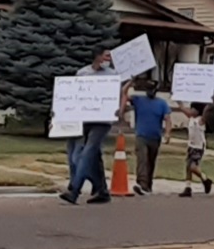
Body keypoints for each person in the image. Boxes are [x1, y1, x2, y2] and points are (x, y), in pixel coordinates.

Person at [58, 51, 124, 205]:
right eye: (106, 56)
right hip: (83, 120)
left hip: (102, 121)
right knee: (84, 157)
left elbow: (121, 95)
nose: (109, 59)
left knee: (88, 152)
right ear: (97, 56)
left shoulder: (113, 74)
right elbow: (72, 95)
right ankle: (102, 190)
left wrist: (119, 110)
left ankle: (74, 190)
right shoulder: (82, 73)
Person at [123, 79, 172, 196]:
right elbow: (124, 93)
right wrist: (130, 83)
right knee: (142, 159)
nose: (150, 92)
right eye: (148, 90)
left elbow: (168, 119)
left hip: (155, 137)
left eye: (152, 90)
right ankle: (142, 183)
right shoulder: (138, 100)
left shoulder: (162, 103)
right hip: (141, 136)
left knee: (151, 161)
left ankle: (148, 185)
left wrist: (167, 133)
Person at [176, 102, 213, 197]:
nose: (191, 110)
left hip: (198, 146)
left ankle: (205, 179)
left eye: (193, 109)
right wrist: (178, 101)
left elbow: (206, 113)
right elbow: (183, 109)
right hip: (191, 145)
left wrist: (209, 103)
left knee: (193, 166)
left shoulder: (200, 120)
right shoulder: (191, 118)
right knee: (188, 167)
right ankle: (187, 187)